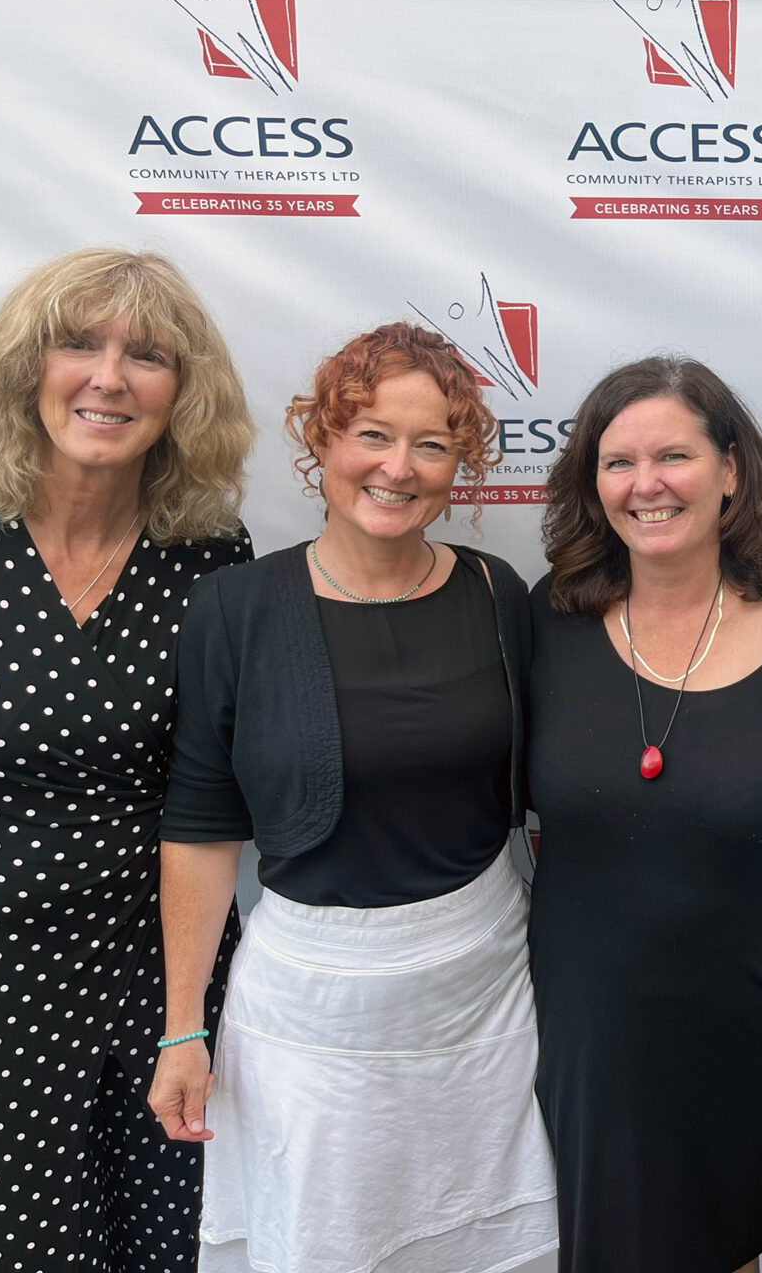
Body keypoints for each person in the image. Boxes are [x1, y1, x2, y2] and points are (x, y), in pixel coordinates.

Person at [151, 322, 558, 1273]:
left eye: (432, 444)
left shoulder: (501, 595)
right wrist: (183, 1028)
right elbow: (202, 828)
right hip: (308, 1019)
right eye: (371, 434)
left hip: (483, 999)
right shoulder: (237, 607)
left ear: (460, 464)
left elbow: (548, 798)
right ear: (323, 443)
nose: (398, 468)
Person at [0, 248, 253, 1271]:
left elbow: (206, 808)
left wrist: (187, 1024)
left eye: (147, 355)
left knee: (166, 1251)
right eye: (78, 344)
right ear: (25, 367)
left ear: (183, 395)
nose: (109, 376)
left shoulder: (211, 558)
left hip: (162, 996)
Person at [527, 356, 762, 1273]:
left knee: (726, 1247)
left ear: (732, 470)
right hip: (595, 1028)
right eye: (616, 462)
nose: (646, 485)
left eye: (672, 455)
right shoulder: (544, 624)